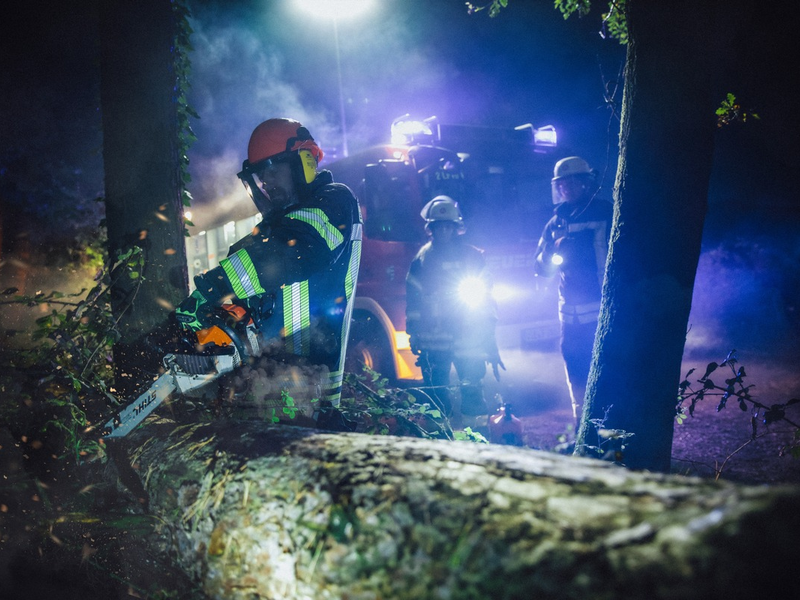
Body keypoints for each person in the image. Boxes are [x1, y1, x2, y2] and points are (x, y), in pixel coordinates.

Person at [174, 118, 362, 419]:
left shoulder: (335, 202)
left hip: (310, 402)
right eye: (261, 176)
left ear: (305, 163)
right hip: (264, 394)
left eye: (274, 171)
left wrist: (213, 288)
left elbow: (291, 251)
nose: (268, 183)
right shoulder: (275, 226)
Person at [405, 195, 504, 426]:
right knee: (436, 396)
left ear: (457, 228)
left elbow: (487, 301)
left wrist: (489, 339)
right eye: (439, 227)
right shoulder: (421, 260)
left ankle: (478, 440)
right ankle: (441, 443)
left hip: (468, 340)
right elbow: (413, 301)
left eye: (449, 227)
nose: (444, 232)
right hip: (433, 342)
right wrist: (414, 333)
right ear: (431, 229)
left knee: (472, 392)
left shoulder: (473, 257)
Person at [534, 156, 612, 424]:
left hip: (604, 310)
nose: (566, 187)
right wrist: (554, 252)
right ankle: (583, 431)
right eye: (562, 183)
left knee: (607, 372)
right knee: (576, 372)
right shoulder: (556, 221)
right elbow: (540, 268)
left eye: (573, 181)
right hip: (570, 317)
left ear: (587, 183)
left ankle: (609, 436)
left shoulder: (606, 213)